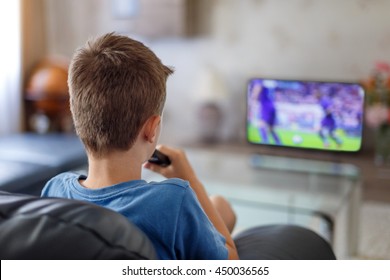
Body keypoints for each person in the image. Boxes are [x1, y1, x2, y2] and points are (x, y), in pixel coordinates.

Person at [41, 32, 238, 260]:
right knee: (220, 208)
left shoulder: (54, 190)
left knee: (219, 205)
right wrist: (190, 178)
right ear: (152, 129)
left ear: (77, 117)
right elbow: (231, 264)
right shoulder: (174, 200)